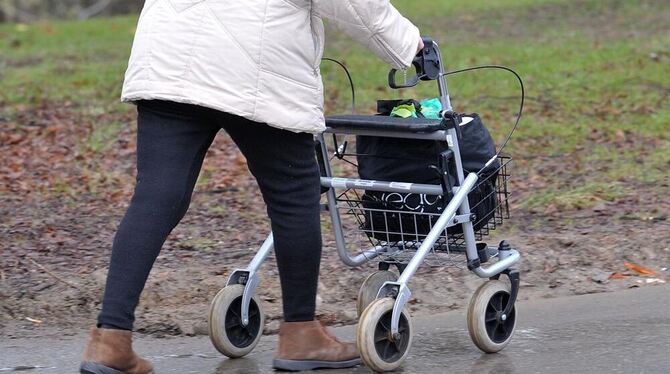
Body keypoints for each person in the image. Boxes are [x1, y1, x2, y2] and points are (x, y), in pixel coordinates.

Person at [79, 1, 422, 373]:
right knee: (293, 193)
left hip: (169, 53)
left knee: (157, 196)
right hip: (255, 61)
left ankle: (110, 339)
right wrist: (408, 44)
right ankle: (300, 333)